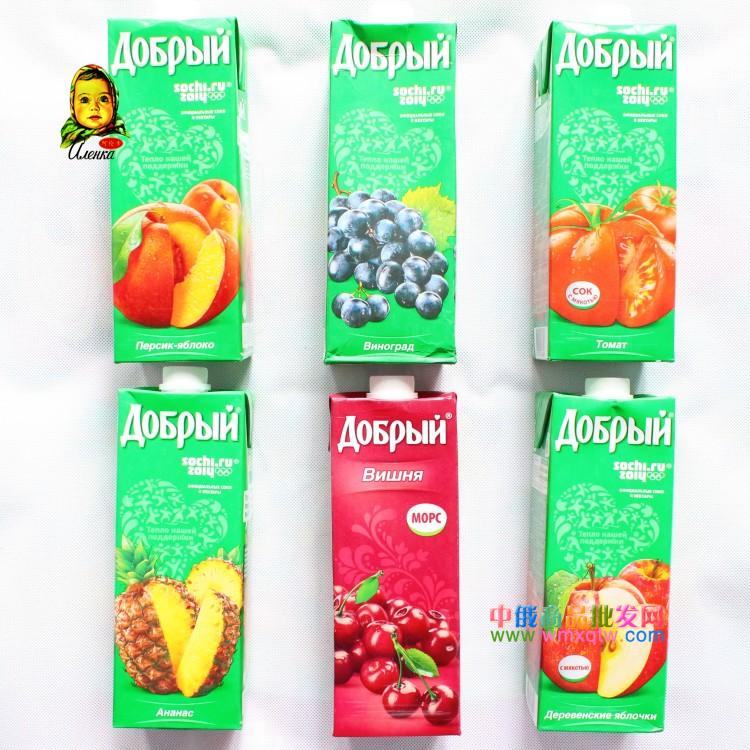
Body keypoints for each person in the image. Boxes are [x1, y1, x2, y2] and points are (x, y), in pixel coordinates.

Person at [60, 64, 127, 148]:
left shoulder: (121, 136)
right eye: (84, 100)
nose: (94, 107)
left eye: (103, 99)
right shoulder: (68, 133)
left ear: (114, 102)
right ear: (72, 104)